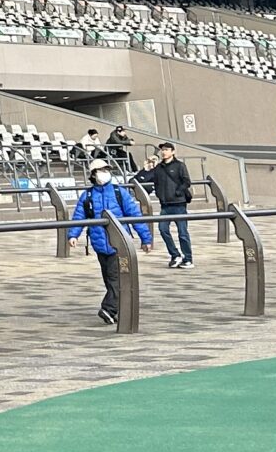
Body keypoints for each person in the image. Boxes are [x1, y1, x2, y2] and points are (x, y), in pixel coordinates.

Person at [68, 163, 152, 327]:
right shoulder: (88, 195)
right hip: (99, 244)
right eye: (101, 170)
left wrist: (145, 238)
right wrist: (73, 235)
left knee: (116, 277)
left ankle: (109, 308)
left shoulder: (119, 192)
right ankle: (115, 308)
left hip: (119, 244)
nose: (105, 173)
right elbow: (79, 216)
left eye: (106, 170)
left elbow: (135, 215)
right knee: (108, 277)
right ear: (93, 174)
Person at [147, 140, 195, 269]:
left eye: (167, 150)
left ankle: (188, 258)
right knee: (163, 229)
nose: (164, 152)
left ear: (173, 152)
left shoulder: (180, 166)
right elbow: (150, 180)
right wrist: (147, 169)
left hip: (179, 204)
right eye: (162, 150)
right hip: (165, 205)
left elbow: (187, 181)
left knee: (183, 233)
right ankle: (175, 255)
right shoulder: (158, 168)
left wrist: (178, 191)